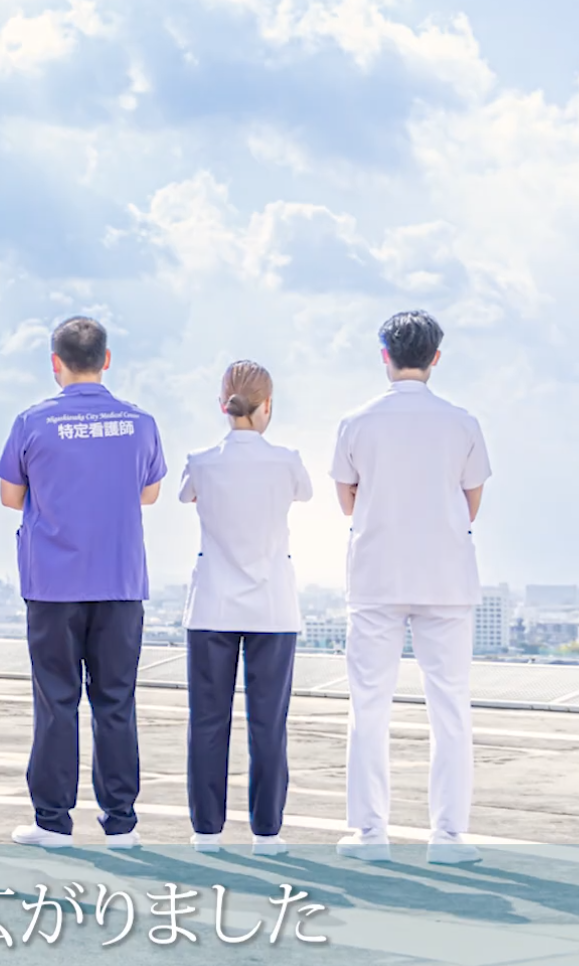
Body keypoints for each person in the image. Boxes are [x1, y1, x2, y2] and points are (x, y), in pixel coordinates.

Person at [0, 316, 166, 848]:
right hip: (119, 581)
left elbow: (9, 496)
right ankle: (120, 823)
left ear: (56, 363)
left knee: (56, 702)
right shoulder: (140, 423)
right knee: (116, 702)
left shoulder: (32, 422)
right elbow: (149, 492)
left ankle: (52, 821)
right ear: (106, 360)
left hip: (53, 584)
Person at [331, 310, 491, 865]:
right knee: (450, 709)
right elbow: (471, 503)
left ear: (385, 355)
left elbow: (347, 500)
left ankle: (369, 833)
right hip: (446, 578)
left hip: (376, 576)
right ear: (436, 358)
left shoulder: (356, 422)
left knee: (368, 707)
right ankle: (448, 837)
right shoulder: (462, 423)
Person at [176, 361, 312, 856]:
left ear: (223, 404)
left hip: (212, 605)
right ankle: (267, 833)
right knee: (267, 724)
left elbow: (185, 495)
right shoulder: (287, 461)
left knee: (207, 722)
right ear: (267, 405)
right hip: (272, 608)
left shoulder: (201, 462)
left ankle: (206, 832)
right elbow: (305, 493)